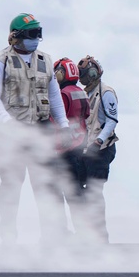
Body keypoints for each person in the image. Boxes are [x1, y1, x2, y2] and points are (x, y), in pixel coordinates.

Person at [0, 13, 71, 244]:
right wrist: (6, 121)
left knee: (45, 184)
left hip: (40, 129)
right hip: (11, 131)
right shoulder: (0, 62)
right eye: (32, 34)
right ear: (16, 36)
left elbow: (54, 96)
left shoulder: (45, 61)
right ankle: (9, 238)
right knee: (12, 184)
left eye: (38, 33)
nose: (36, 39)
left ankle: (50, 239)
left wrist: (62, 124)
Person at [78, 55, 118, 243]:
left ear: (93, 74)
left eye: (84, 74)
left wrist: (98, 141)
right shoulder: (87, 93)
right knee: (85, 192)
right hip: (88, 150)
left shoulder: (106, 92)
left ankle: (100, 237)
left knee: (94, 192)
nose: (81, 78)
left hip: (101, 150)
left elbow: (111, 121)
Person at [53, 58, 90, 232]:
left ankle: (62, 234)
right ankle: (84, 232)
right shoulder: (81, 92)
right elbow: (87, 115)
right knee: (77, 194)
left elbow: (56, 120)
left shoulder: (63, 94)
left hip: (64, 149)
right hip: (79, 148)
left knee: (60, 194)